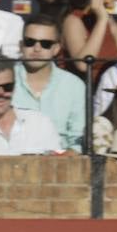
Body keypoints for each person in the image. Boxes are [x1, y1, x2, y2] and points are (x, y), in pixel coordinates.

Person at [13, 14, 86, 152]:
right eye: (30, 42)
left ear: (56, 49)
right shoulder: (6, 81)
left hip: (61, 164)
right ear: (21, 45)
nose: (37, 48)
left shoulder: (74, 86)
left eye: (45, 44)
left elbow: (77, 139)